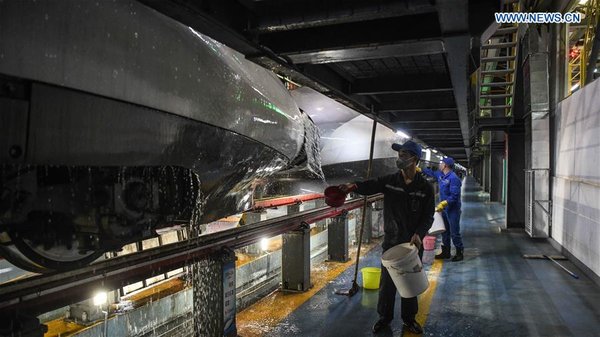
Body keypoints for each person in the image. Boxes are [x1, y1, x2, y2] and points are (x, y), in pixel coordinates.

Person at [339, 140, 434, 334]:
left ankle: (409, 319)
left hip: (412, 243)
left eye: (404, 155)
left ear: (414, 159)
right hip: (391, 241)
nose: (400, 158)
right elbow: (370, 185)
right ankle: (384, 317)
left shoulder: (425, 187)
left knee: (410, 282)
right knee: (387, 284)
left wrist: (419, 234)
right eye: (399, 154)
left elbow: (428, 216)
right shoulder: (391, 181)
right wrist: (353, 186)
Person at [422, 157, 464, 262]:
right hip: (443, 209)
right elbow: (431, 173)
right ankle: (446, 252)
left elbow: (454, 196)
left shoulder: (454, 178)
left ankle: (459, 252)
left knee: (454, 232)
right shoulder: (441, 175)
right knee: (445, 231)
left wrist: (444, 203)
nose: (439, 165)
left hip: (452, 209)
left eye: (441, 163)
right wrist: (420, 170)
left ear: (445, 165)